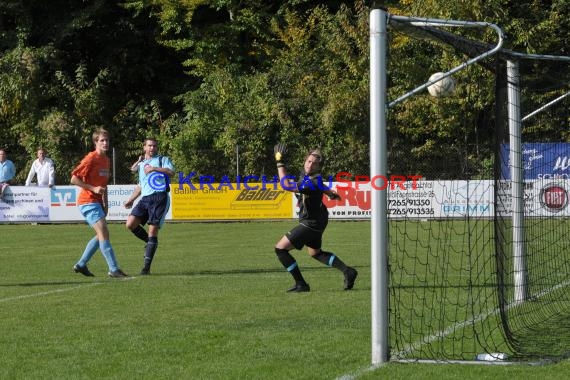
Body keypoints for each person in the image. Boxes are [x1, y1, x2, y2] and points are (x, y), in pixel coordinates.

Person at [272, 143, 358, 292]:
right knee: (315, 253)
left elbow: (285, 185)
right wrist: (330, 193)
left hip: (310, 223)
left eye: (315, 163)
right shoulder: (310, 177)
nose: (310, 165)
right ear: (305, 161)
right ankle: (347, 271)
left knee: (280, 249)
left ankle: (301, 284)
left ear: (319, 167)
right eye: (309, 161)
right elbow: (321, 185)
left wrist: (279, 161)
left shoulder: (310, 181)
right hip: (318, 220)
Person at [71, 129, 128, 278]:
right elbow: (73, 179)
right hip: (87, 201)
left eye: (107, 140)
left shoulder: (106, 160)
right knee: (104, 233)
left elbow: (104, 185)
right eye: (102, 140)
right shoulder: (91, 158)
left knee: (100, 235)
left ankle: (81, 264)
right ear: (95, 142)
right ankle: (113, 269)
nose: (105, 143)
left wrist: (106, 204)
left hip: (97, 202)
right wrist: (93, 188)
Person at [124, 137, 175, 275]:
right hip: (145, 199)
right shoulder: (141, 164)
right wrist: (131, 200)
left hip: (160, 197)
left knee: (153, 231)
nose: (152, 148)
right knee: (130, 224)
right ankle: (150, 243)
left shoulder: (162, 159)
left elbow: (172, 172)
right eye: (149, 146)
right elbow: (141, 186)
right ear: (144, 147)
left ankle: (146, 269)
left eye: (154, 146)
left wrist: (155, 168)